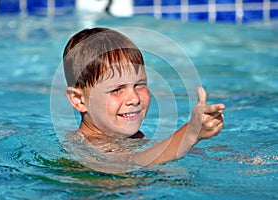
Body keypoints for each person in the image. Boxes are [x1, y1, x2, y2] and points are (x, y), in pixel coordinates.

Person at [62, 27, 225, 171]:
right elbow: (132, 162)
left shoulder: (132, 137)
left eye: (139, 84)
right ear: (79, 100)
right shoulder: (88, 145)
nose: (133, 98)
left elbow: (162, 152)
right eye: (117, 90)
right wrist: (190, 133)